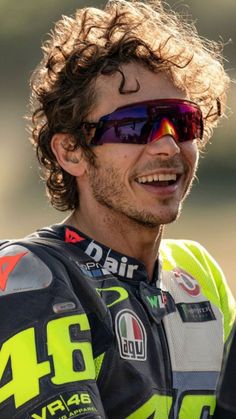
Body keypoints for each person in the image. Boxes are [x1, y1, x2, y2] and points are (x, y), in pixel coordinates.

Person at [0, 0, 235, 418]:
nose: (166, 146)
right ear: (71, 151)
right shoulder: (27, 277)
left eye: (182, 122)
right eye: (132, 126)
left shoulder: (199, 272)